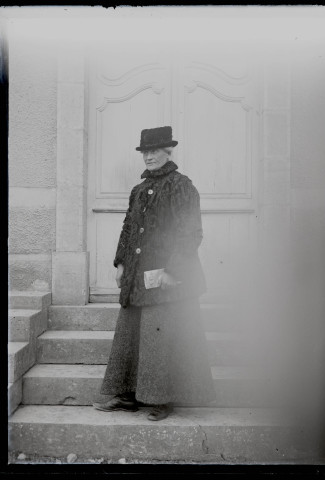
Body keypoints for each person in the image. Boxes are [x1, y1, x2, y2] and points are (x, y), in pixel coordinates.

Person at [93, 126, 216, 421]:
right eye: (144, 152)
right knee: (131, 336)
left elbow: (190, 232)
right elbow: (128, 228)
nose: (148, 156)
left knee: (161, 337)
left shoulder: (181, 186)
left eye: (154, 151)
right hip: (137, 277)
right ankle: (127, 395)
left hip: (167, 277)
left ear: (168, 152)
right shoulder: (138, 190)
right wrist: (121, 263)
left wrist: (173, 271)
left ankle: (162, 399)